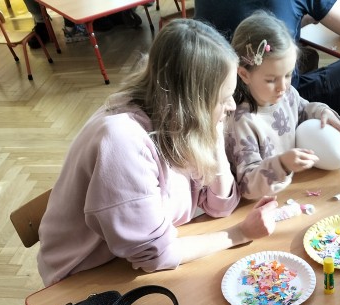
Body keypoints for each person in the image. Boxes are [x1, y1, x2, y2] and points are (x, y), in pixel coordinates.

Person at [36, 19, 278, 286]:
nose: (232, 105)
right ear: (191, 104)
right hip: (82, 277)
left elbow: (220, 206)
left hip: (130, 258)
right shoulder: (123, 141)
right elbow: (156, 256)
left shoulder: (180, 121)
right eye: (222, 99)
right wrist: (239, 234)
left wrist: (215, 137)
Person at [194, 0, 340, 135]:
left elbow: (250, 22)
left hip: (214, 100)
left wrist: (305, 15)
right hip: (265, 103)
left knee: (309, 57)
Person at [225, 12, 340, 200]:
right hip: (259, 202)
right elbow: (247, 186)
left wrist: (322, 112)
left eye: (288, 75)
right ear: (244, 75)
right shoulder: (243, 121)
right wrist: (282, 165)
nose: (283, 86)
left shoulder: (287, 95)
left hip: (293, 188)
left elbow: (303, 110)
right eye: (271, 80)